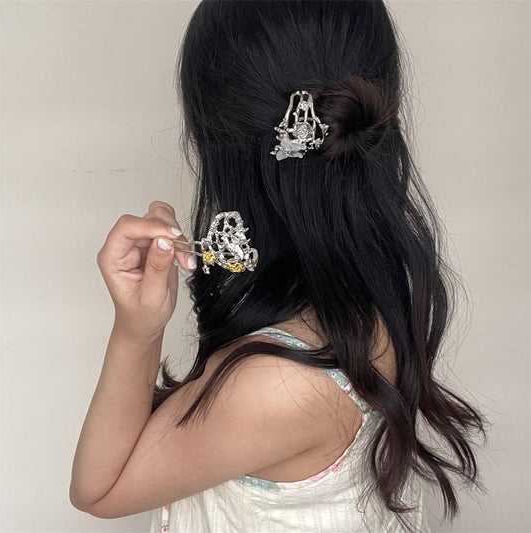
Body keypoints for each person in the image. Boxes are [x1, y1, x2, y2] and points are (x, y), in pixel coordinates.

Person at [69, 1, 488, 531]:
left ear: (219, 146)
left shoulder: (279, 382)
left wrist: (137, 331)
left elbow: (98, 490)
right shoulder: (368, 298)